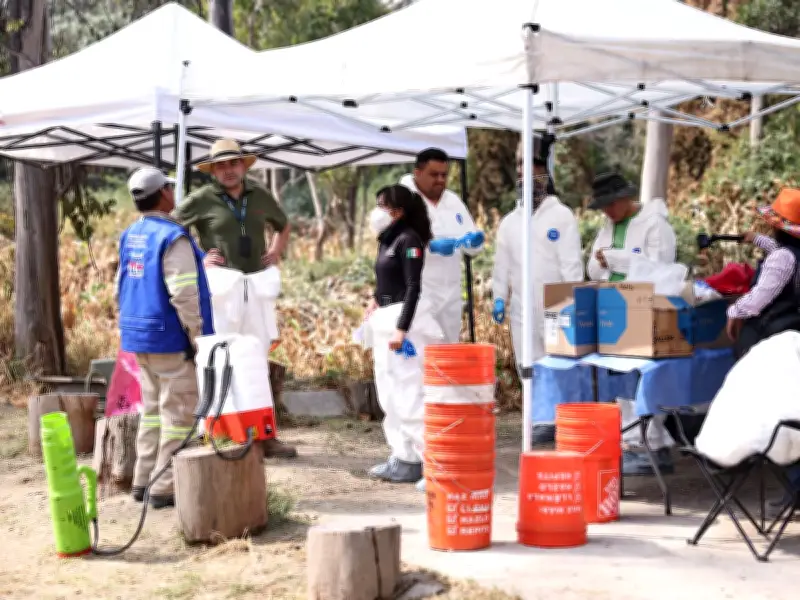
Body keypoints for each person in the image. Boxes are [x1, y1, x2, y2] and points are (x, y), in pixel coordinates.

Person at [174, 138, 296, 459]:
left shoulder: (259, 194)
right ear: (213, 171)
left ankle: (265, 435)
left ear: (243, 165)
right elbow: (172, 227)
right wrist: (200, 257)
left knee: (256, 357)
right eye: (221, 166)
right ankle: (222, 432)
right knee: (220, 355)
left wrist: (275, 251)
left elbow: (282, 225)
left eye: (233, 164)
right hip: (222, 287)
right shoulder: (201, 199)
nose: (228, 171)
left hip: (255, 285)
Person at [117, 167, 214, 509]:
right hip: (169, 339)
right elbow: (184, 294)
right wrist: (198, 336)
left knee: (153, 411)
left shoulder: (131, 234)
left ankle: (143, 480)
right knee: (179, 415)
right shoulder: (173, 237)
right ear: (164, 195)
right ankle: (164, 486)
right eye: (170, 188)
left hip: (139, 337)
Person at [492, 139, 584, 444]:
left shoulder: (562, 216)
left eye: (532, 170)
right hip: (521, 306)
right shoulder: (509, 222)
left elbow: (572, 263)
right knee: (527, 362)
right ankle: (537, 416)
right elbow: (501, 265)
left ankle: (560, 416)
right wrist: (499, 298)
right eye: (520, 169)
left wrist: (573, 301)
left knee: (556, 362)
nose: (526, 176)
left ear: (545, 173)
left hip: (557, 302)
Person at [586, 172, 678, 476]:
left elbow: (661, 270)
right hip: (614, 307)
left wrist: (616, 260)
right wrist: (605, 262)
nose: (608, 212)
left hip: (647, 308)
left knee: (647, 377)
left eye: (612, 204)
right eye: (604, 207)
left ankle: (651, 440)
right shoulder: (607, 226)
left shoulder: (655, 225)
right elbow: (593, 268)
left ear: (626, 198)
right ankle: (632, 441)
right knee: (621, 379)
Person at [726, 188, 800, 515]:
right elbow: (782, 255)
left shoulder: (781, 259)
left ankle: (794, 489)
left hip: (778, 341)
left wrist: (733, 312)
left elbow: (759, 298)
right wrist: (757, 240)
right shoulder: (790, 252)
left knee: (780, 416)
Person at [365, 185, 435, 491]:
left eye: (383, 205)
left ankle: (432, 462)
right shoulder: (387, 239)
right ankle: (404, 457)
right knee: (388, 393)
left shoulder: (410, 240)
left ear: (399, 211)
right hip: (384, 319)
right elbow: (386, 279)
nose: (377, 211)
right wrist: (374, 299)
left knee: (409, 394)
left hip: (404, 325)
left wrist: (401, 329)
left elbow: (412, 288)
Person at [400, 148, 484, 343]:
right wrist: (428, 246)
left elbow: (471, 245)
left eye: (444, 175)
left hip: (451, 294)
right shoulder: (402, 201)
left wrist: (474, 242)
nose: (440, 180)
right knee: (422, 353)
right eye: (434, 174)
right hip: (419, 292)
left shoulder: (453, 201)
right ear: (417, 173)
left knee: (448, 353)